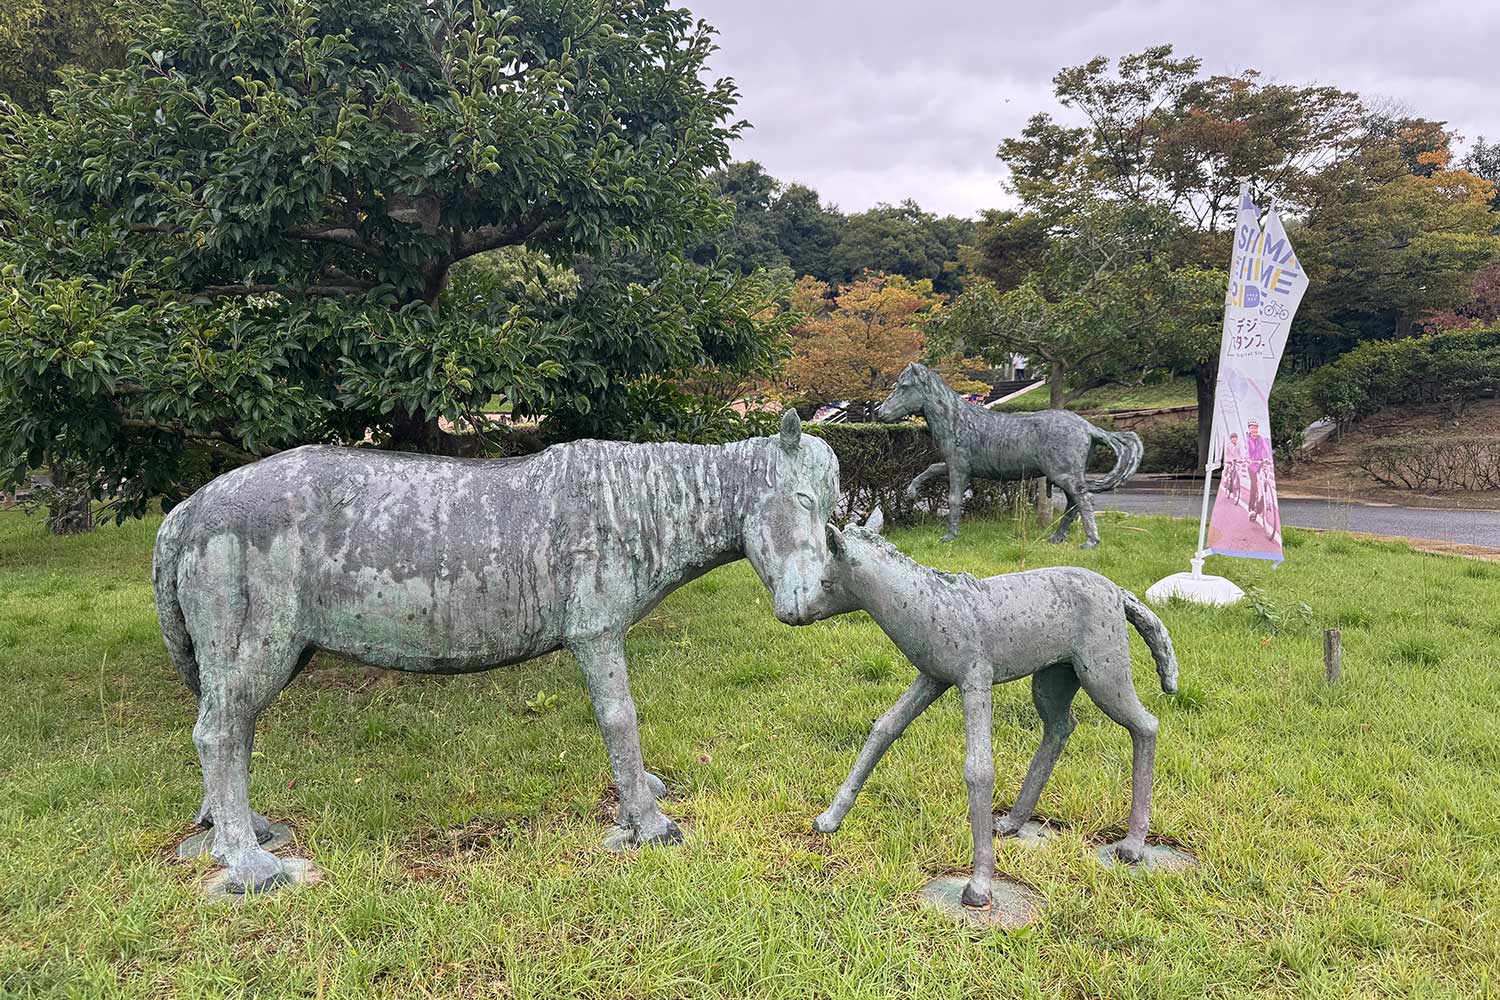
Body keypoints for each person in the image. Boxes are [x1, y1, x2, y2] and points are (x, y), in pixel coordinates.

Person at [1245, 420, 1272, 520]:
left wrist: (1269, 458)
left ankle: (1258, 509)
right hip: (1251, 465)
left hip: (1260, 464)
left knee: (1265, 485)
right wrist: (1249, 459)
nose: (1254, 429)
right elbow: (1247, 450)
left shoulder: (1261, 439)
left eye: (1255, 428)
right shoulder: (1248, 439)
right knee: (1254, 487)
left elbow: (1266, 448)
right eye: (1252, 428)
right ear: (1249, 429)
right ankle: (1251, 509)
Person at [1222, 432, 1245, 501]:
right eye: (1233, 438)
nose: (1234, 439)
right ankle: (1225, 479)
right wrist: (1228, 460)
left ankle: (1237, 491)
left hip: (1236, 460)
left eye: (1235, 437)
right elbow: (1227, 454)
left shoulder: (1239, 445)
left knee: (1237, 474)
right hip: (1229, 460)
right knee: (1227, 468)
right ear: (1231, 439)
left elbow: (1241, 453)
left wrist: (1242, 459)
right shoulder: (1228, 445)